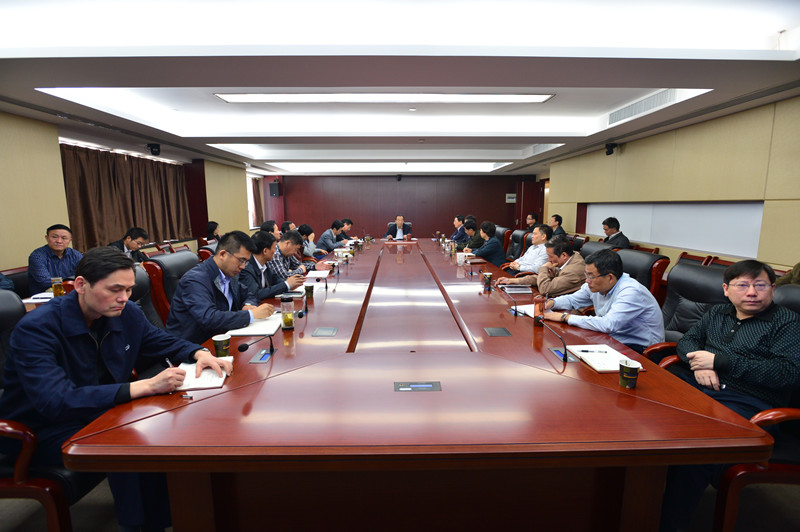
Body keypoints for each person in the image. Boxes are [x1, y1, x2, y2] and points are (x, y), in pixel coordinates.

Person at [0, 246, 231, 531]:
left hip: (98, 410)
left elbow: (161, 341)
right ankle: (137, 526)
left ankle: (167, 519)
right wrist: (144, 386)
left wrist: (199, 353)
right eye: (115, 290)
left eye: (129, 289)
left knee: (164, 426)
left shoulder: (126, 312)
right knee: (125, 440)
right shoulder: (37, 328)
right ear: (81, 285)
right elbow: (56, 400)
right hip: (39, 429)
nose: (124, 297)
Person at [659, 260, 800, 532]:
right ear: (726, 289)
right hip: (701, 386)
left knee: (695, 450)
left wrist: (719, 362)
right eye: (742, 285)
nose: (752, 292)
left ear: (773, 289)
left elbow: (787, 374)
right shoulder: (718, 312)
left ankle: (669, 524)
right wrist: (699, 365)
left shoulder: (787, 323)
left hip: (751, 403)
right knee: (646, 419)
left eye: (760, 285)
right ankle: (633, 501)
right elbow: (688, 341)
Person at [537, 248, 664, 352]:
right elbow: (573, 299)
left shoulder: (630, 291)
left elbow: (608, 324)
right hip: (611, 339)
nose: (587, 280)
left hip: (641, 349)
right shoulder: (597, 284)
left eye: (591, 276)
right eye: (586, 275)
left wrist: (564, 317)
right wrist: (552, 303)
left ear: (610, 277)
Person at [166, 231, 274, 344]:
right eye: (241, 260)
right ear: (223, 254)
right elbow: (209, 318)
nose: (243, 267)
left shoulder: (229, 273)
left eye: (246, 262)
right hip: (195, 346)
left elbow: (249, 293)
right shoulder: (195, 280)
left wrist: (247, 305)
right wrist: (251, 315)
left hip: (223, 338)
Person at [498, 236, 586, 297]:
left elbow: (545, 290)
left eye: (550, 256)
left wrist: (544, 268)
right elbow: (541, 278)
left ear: (564, 255)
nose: (549, 260)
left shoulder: (573, 271)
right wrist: (512, 281)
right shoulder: (565, 260)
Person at [240, 231, 304, 301]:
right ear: (265, 251)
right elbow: (256, 294)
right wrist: (286, 284)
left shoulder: (265, 264)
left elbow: (276, 279)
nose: (275, 251)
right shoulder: (247, 268)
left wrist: (291, 282)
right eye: (274, 248)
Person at [28, 223, 84, 294]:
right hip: (45, 296)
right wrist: (70, 282)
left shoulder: (75, 255)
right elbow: (45, 282)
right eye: (54, 237)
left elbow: (85, 275)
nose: (59, 241)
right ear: (47, 238)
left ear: (70, 240)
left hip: (71, 293)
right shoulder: (37, 256)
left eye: (64, 238)